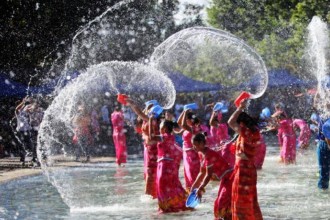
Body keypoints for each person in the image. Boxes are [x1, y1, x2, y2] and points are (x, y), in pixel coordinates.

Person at [228, 99, 263, 220]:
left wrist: (240, 108)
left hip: (243, 170)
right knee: (249, 198)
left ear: (242, 123)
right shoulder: (255, 132)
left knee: (240, 199)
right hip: (249, 169)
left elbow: (230, 122)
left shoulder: (246, 132)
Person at [149, 119, 188, 213]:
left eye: (160, 127)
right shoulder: (171, 137)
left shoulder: (165, 136)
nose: (159, 128)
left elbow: (151, 137)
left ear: (165, 128)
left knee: (163, 186)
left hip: (164, 166)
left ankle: (167, 207)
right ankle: (176, 204)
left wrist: (150, 120)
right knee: (172, 185)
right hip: (169, 166)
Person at [191, 133, 233, 220]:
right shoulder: (202, 154)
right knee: (219, 204)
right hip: (225, 180)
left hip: (230, 178)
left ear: (202, 143)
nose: (194, 147)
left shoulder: (209, 154)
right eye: (193, 145)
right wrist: (193, 187)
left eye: (196, 145)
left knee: (223, 203)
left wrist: (201, 188)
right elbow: (202, 172)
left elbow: (208, 175)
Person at [126, 98, 159, 198]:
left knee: (151, 172)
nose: (147, 109)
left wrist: (132, 103)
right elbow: (139, 116)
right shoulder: (147, 119)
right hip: (149, 148)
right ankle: (152, 193)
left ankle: (149, 195)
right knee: (149, 172)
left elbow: (139, 113)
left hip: (153, 148)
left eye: (149, 107)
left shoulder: (152, 119)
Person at [177, 109, 201, 191]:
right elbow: (179, 122)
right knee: (187, 174)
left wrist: (186, 112)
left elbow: (182, 124)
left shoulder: (194, 129)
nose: (185, 120)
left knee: (192, 174)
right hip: (187, 154)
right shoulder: (188, 128)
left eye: (187, 119)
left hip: (192, 154)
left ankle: (196, 193)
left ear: (191, 120)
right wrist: (184, 111)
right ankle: (191, 193)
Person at [15, 97, 33, 165]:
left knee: (29, 145)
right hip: (21, 131)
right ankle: (23, 159)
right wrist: (23, 102)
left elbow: (32, 108)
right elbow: (17, 108)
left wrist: (31, 102)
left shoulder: (26, 111)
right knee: (22, 145)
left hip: (27, 130)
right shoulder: (17, 112)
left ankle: (31, 159)